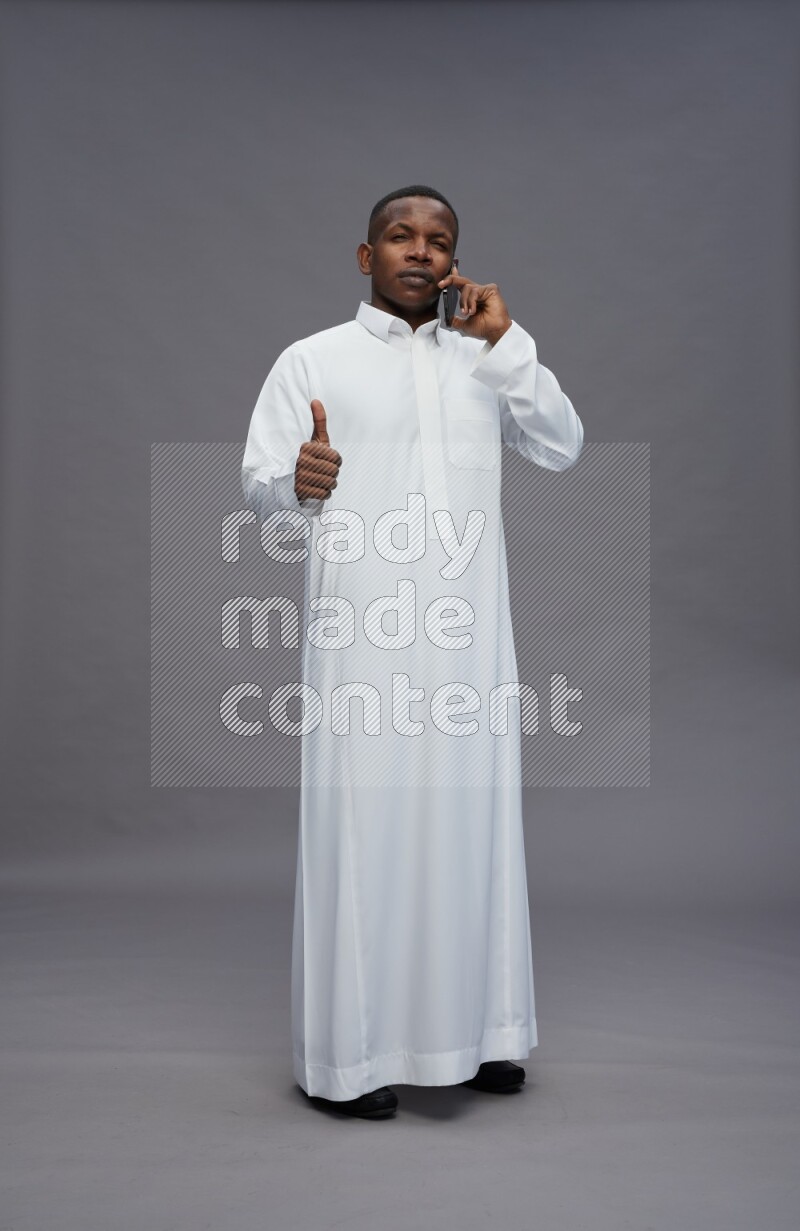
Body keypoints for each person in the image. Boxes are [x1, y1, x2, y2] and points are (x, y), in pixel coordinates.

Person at [241, 185, 584, 1119]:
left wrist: (508, 343)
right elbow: (263, 497)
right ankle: (348, 1060)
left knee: (474, 828)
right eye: (401, 236)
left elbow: (562, 446)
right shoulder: (312, 359)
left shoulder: (487, 360)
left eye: (439, 240)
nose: (420, 251)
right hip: (363, 638)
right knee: (367, 837)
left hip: (470, 642)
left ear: (455, 261)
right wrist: (298, 484)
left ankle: (484, 1035)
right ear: (367, 256)